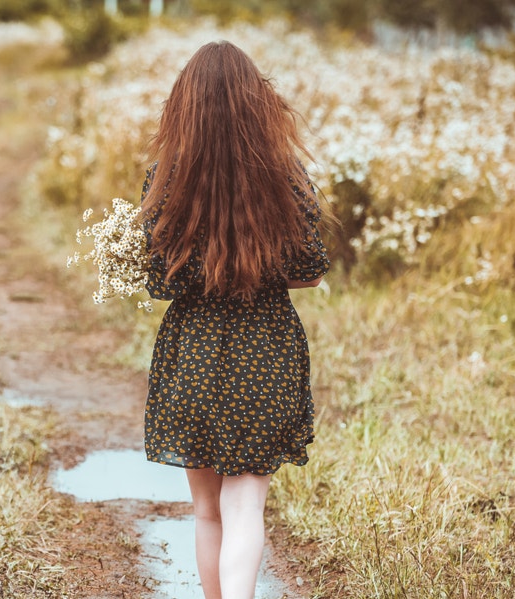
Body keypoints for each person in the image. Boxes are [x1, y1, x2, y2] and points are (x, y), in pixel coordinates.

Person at [137, 40, 333, 599]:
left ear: (185, 106)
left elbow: (160, 281)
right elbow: (308, 268)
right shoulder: (284, 179)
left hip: (193, 356)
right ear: (257, 103)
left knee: (207, 513)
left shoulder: (166, 180)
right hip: (266, 350)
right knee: (245, 506)